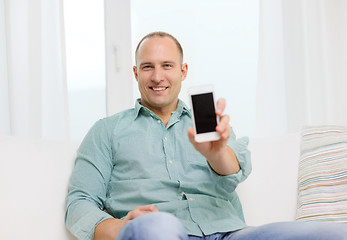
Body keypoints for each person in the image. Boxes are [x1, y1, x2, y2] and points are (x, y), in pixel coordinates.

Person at [65, 31, 347, 240]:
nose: (157, 76)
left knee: (331, 234)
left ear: (183, 71)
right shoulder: (106, 131)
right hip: (157, 231)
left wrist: (216, 153)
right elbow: (79, 203)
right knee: (158, 227)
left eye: (167, 65)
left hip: (228, 232)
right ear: (136, 73)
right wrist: (123, 227)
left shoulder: (208, 122)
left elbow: (234, 168)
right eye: (148, 67)